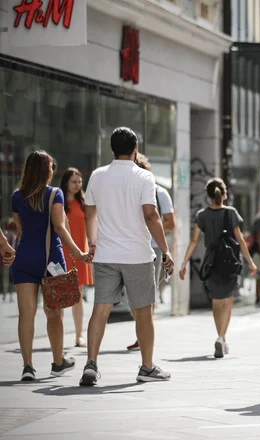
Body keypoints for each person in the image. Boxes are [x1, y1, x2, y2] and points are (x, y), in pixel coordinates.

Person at [81, 127, 174, 386]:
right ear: (135, 150)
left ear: (111, 149)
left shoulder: (97, 176)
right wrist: (165, 250)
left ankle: (91, 364)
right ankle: (146, 367)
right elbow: (151, 215)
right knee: (144, 313)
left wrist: (92, 243)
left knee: (100, 310)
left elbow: (90, 212)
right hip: (137, 255)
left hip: (106, 254)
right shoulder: (144, 177)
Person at [11, 151, 91, 381]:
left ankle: (27, 366)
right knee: (54, 314)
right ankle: (57, 362)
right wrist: (78, 253)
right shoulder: (55, 194)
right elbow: (59, 228)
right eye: (51, 167)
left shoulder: (17, 196)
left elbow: (21, 230)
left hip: (24, 257)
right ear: (46, 171)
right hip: (51, 260)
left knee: (26, 315)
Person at [179, 178, 257, 357]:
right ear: (224, 194)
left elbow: (194, 240)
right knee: (227, 301)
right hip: (230, 262)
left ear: (208, 195)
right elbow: (240, 240)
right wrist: (250, 262)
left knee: (216, 302)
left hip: (212, 262)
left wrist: (184, 263)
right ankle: (222, 337)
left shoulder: (202, 215)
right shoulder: (231, 213)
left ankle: (220, 337)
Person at [126, 153, 176, 351]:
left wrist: (150, 227)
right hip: (128, 246)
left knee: (148, 293)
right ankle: (143, 332)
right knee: (131, 294)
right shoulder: (126, 192)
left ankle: (144, 336)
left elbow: (171, 222)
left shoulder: (159, 193)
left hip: (152, 249)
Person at [59, 168, 93, 348]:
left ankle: (79, 336)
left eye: (80, 181)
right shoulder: (58, 203)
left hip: (81, 253)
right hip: (62, 252)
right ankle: (59, 336)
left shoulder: (84, 203)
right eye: (74, 181)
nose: (78, 185)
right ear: (66, 183)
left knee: (78, 295)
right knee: (62, 295)